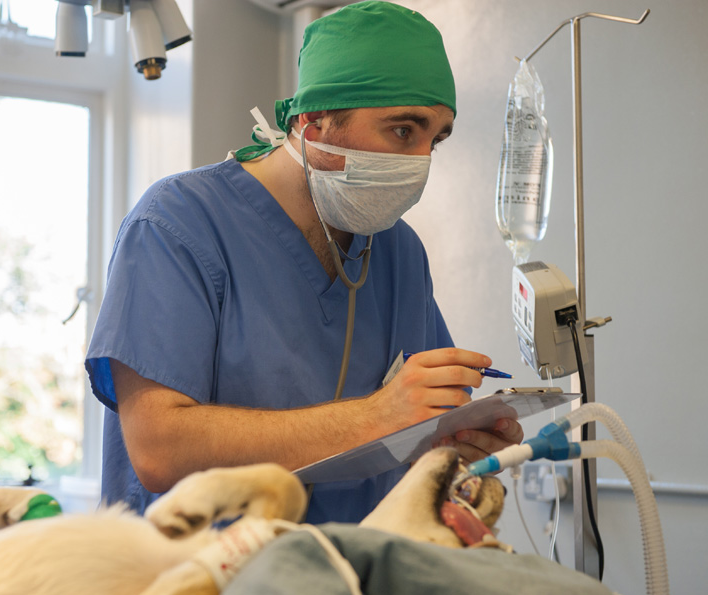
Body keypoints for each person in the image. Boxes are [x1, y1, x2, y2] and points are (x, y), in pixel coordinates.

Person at [85, 1, 523, 523]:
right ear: (314, 123)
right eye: (404, 131)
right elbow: (159, 450)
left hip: (352, 579)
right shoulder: (178, 224)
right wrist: (374, 416)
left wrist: (449, 447)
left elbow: (405, 432)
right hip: (205, 585)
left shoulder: (397, 250)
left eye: (436, 139)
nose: (422, 160)